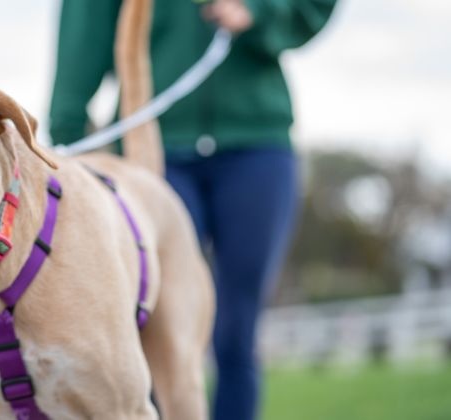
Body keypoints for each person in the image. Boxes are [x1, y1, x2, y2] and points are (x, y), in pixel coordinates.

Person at [48, 0, 337, 419]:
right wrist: (67, 136)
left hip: (256, 146)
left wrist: (261, 11)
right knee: (147, 323)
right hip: (151, 145)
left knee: (237, 329)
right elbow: (84, 30)